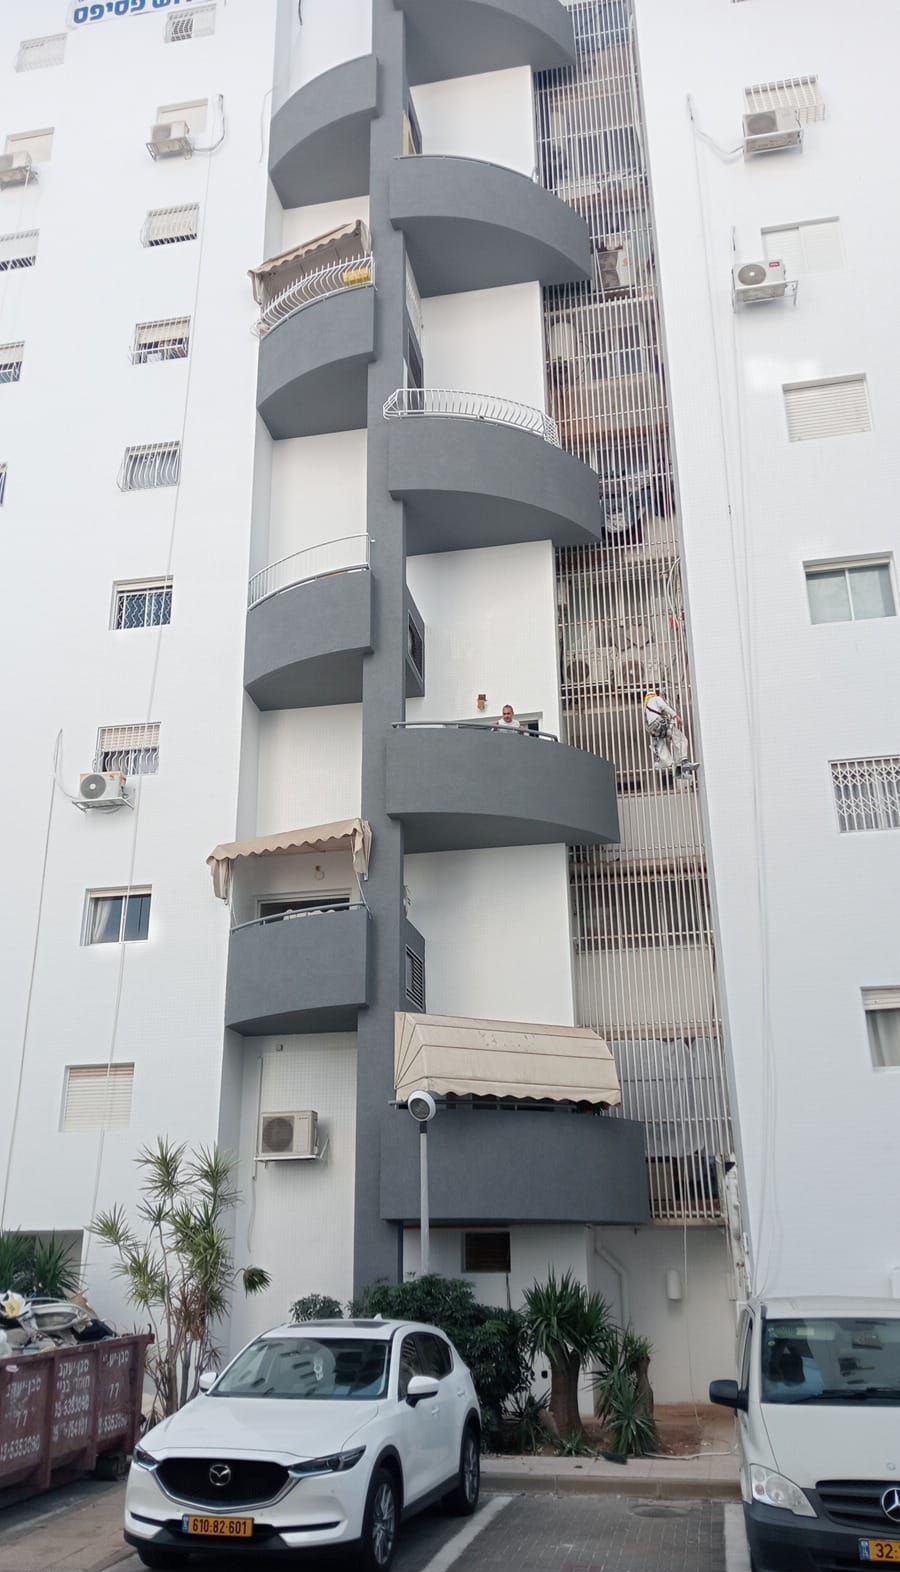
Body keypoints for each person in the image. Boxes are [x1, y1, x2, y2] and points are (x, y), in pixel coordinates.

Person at [643, 685, 697, 777]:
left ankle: (677, 769)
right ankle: (684, 761)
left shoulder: (646, 709)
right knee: (680, 739)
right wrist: (676, 716)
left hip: (655, 731)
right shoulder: (656, 699)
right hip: (661, 725)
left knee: (667, 745)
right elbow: (665, 707)